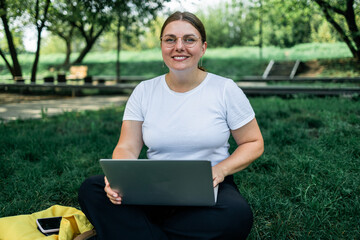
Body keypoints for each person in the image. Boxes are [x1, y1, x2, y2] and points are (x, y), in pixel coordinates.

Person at [78, 11, 264, 240]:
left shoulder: (225, 89)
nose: (179, 46)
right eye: (170, 39)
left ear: (203, 47)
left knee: (237, 215)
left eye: (189, 39)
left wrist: (220, 170)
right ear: (162, 46)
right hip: (154, 185)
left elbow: (253, 142)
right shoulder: (144, 91)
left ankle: (126, 232)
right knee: (92, 190)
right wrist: (118, 180)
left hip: (210, 185)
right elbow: (127, 146)